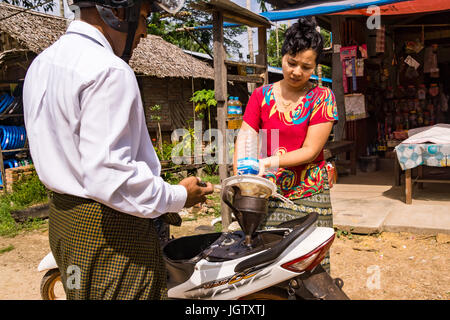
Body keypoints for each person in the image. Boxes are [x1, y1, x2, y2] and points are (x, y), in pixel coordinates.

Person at [23, 0, 213, 299]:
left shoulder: (42, 63)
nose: (145, 32)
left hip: (64, 225)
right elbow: (111, 178)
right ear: (120, 12)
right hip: (111, 234)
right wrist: (179, 196)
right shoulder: (109, 70)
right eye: (144, 18)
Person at [234, 17, 338, 273]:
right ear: (282, 56)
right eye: (291, 63)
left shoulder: (323, 98)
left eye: (306, 66)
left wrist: (265, 162)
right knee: (267, 268)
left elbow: (310, 151)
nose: (296, 72)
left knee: (309, 270)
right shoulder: (261, 95)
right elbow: (246, 135)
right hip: (267, 195)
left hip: (309, 195)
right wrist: (240, 175)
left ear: (315, 66)